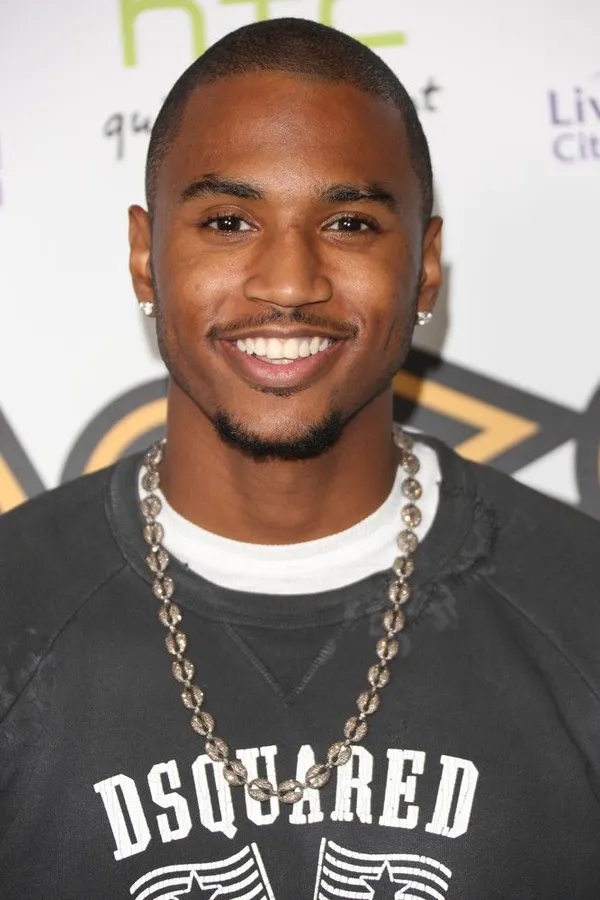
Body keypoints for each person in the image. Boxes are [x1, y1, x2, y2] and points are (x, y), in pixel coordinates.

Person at [1, 17, 599, 900]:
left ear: (426, 267)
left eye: (350, 222)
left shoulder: (580, 604)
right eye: (229, 221)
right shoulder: (16, 604)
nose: (289, 283)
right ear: (144, 257)